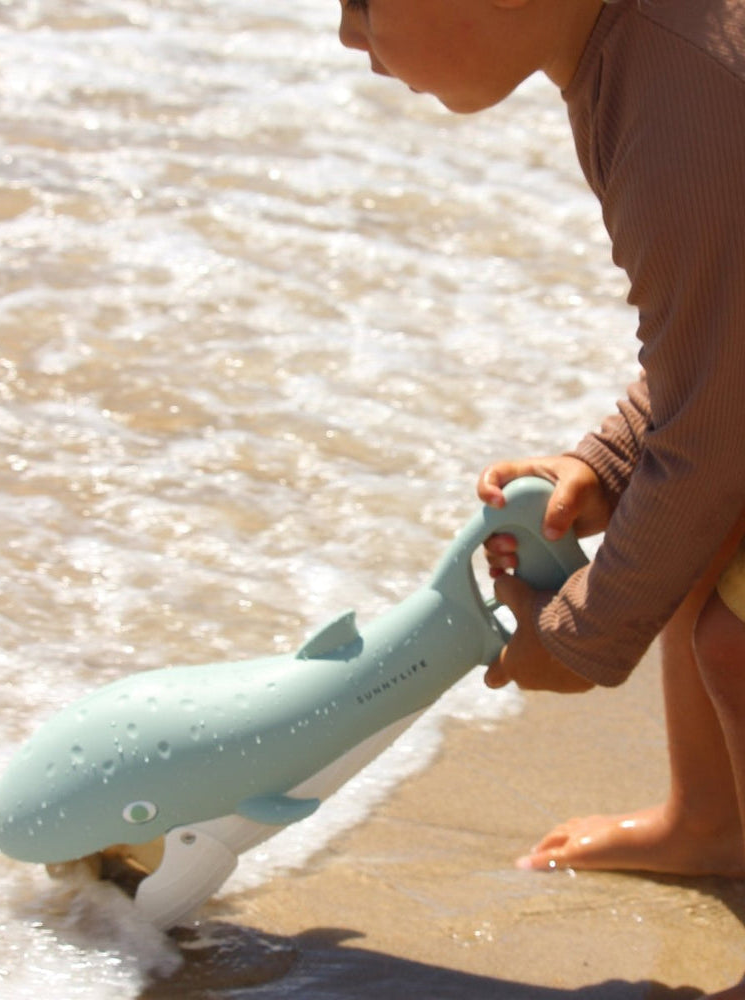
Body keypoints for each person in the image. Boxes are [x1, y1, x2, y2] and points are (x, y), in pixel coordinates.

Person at [336, 0, 745, 995]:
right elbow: (722, 338)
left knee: (736, 633)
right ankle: (712, 819)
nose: (349, 38)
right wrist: (609, 461)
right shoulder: (631, 56)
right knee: (693, 518)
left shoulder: (680, 100)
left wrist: (577, 637)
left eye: (362, 2)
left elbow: (712, 429)